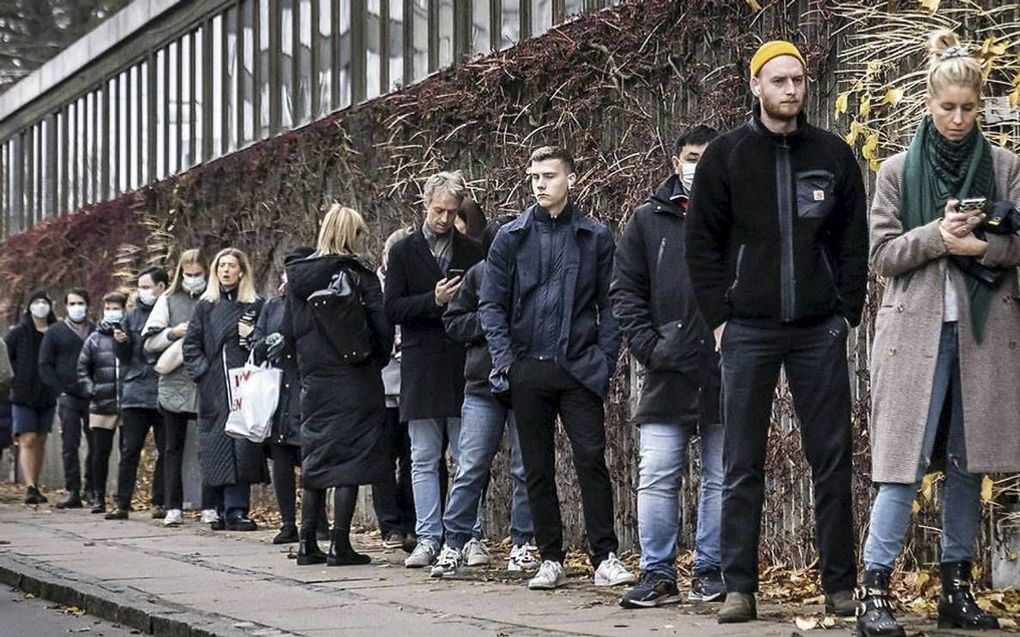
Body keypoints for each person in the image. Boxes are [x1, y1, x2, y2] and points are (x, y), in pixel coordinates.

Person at [684, 41, 869, 623]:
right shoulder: (726, 157)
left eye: (799, 80)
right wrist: (719, 320)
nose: (791, 90)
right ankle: (739, 587)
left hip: (819, 331)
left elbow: (851, 243)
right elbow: (701, 246)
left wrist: (846, 314)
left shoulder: (833, 155)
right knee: (742, 461)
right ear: (756, 86)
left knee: (832, 458)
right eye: (779, 81)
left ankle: (840, 583)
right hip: (749, 331)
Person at [855, 30, 1019, 636]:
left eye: (968, 108)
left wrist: (986, 246)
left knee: (967, 463)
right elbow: (881, 255)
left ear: (980, 106)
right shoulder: (896, 170)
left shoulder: (1006, 167)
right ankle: (874, 590)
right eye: (946, 107)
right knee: (901, 463)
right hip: (914, 338)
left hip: (983, 339)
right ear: (928, 103)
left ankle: (957, 585)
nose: (956, 118)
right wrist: (937, 236)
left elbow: (1017, 243)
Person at [479, 146, 635, 591]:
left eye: (549, 175)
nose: (541, 184)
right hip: (528, 368)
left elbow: (612, 303)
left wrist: (602, 360)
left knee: (591, 459)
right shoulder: (511, 236)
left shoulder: (595, 236)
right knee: (536, 468)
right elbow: (490, 304)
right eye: (534, 177)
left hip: (579, 369)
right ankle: (551, 558)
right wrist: (507, 361)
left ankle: (605, 556)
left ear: (571, 179)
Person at [610, 125, 726, 608]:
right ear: (677, 161)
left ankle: (711, 569)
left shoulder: (737, 217)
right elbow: (625, 292)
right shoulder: (646, 221)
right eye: (692, 156)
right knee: (657, 472)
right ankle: (656, 572)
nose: (698, 165)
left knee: (722, 475)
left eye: (708, 157)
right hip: (666, 369)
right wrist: (652, 349)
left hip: (726, 368)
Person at [283, 204, 394, 566]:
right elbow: (382, 327)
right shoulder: (358, 275)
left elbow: (286, 334)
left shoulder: (297, 279)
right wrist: (374, 359)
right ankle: (340, 545)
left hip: (314, 381)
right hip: (354, 379)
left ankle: (306, 543)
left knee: (315, 459)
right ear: (351, 235)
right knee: (351, 459)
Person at [384, 171, 484, 568]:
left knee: (466, 456)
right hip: (422, 363)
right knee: (423, 456)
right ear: (425, 205)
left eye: (451, 211)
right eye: (438, 210)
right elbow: (391, 308)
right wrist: (433, 299)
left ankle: (468, 534)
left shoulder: (472, 251)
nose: (443, 218)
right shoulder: (406, 251)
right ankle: (429, 535)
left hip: (462, 363)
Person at [430, 216, 539, 578]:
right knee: (471, 467)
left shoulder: (536, 277)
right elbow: (453, 322)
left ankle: (522, 543)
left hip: (525, 383)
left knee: (526, 469)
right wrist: (489, 322)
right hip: (481, 384)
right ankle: (454, 542)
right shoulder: (478, 275)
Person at [182, 248, 267, 531]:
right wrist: (204, 374)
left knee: (242, 447)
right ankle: (218, 508)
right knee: (216, 447)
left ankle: (237, 509)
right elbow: (191, 345)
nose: (226, 271)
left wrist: (251, 338)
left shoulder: (255, 305)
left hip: (245, 386)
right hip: (214, 388)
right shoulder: (205, 306)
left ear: (242, 271)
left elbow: (265, 342)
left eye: (231, 266)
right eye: (221, 266)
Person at [251, 245, 323, 545]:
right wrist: (265, 343)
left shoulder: (317, 301)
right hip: (278, 388)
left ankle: (317, 521)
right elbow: (256, 343)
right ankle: (288, 522)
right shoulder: (273, 304)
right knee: (280, 456)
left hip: (306, 386)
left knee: (311, 458)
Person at [144, 250, 218, 527]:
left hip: (206, 379)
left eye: (198, 274)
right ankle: (172, 505)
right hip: (175, 380)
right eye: (188, 274)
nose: (193, 279)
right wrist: (174, 332)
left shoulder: (213, 298)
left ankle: (210, 504)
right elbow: (149, 344)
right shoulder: (167, 300)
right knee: (172, 447)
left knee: (208, 445)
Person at [106, 268, 169, 520]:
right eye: (140, 287)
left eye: (147, 286)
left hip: (164, 390)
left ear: (161, 287)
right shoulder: (130, 317)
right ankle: (123, 502)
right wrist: (120, 342)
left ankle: (160, 501)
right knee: (130, 449)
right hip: (135, 392)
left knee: (166, 451)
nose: (142, 291)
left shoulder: (169, 312)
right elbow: (123, 357)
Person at [371, 228, 417, 551]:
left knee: (414, 457)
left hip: (413, 384)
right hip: (382, 383)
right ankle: (390, 525)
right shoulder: (374, 286)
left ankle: (413, 521)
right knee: (384, 459)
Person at [39, 288, 96, 509]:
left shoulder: (96, 330)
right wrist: (58, 390)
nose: (76, 307)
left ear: (88, 305)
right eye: (72, 303)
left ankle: (91, 488)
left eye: (80, 303)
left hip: (92, 395)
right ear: (65, 306)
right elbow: (45, 363)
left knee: (95, 442)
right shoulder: (55, 332)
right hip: (68, 396)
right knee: (70, 443)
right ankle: (73, 490)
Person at [77, 291, 128, 515]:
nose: (112, 312)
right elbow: (82, 368)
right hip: (101, 402)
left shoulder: (130, 336)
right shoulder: (94, 339)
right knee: (100, 452)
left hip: (128, 402)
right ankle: (98, 496)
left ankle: (123, 497)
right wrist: (91, 390)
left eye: (116, 308)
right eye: (108, 308)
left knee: (127, 452)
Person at [5, 291, 57, 505]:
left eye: (44, 302)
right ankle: (30, 486)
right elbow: (5, 357)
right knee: (27, 438)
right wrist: (13, 381)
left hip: (47, 393)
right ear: (29, 307)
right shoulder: (18, 333)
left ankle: (36, 482)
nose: (40, 306)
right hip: (23, 394)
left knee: (41, 439)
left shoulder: (55, 332)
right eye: (36, 302)